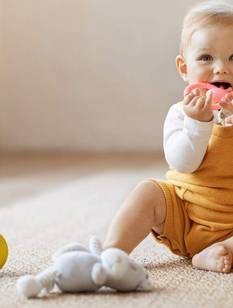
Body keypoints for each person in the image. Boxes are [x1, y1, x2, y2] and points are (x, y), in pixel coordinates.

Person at [103, 0, 233, 273]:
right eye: (206, 58)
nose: (221, 68)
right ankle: (111, 253)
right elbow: (184, 163)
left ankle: (213, 254)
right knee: (149, 191)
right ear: (184, 69)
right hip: (185, 213)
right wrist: (199, 124)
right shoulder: (179, 113)